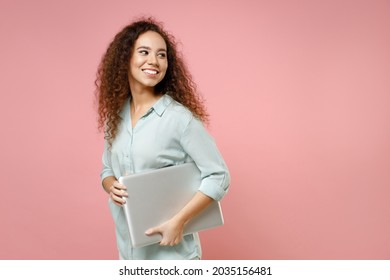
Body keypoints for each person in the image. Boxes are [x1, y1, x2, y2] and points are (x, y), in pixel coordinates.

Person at [95, 17, 230, 260]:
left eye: (161, 55)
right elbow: (107, 170)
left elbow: (218, 175)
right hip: (129, 253)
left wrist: (179, 221)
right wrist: (110, 186)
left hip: (174, 257)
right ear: (125, 58)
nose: (154, 61)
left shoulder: (179, 119)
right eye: (144, 52)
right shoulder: (115, 118)